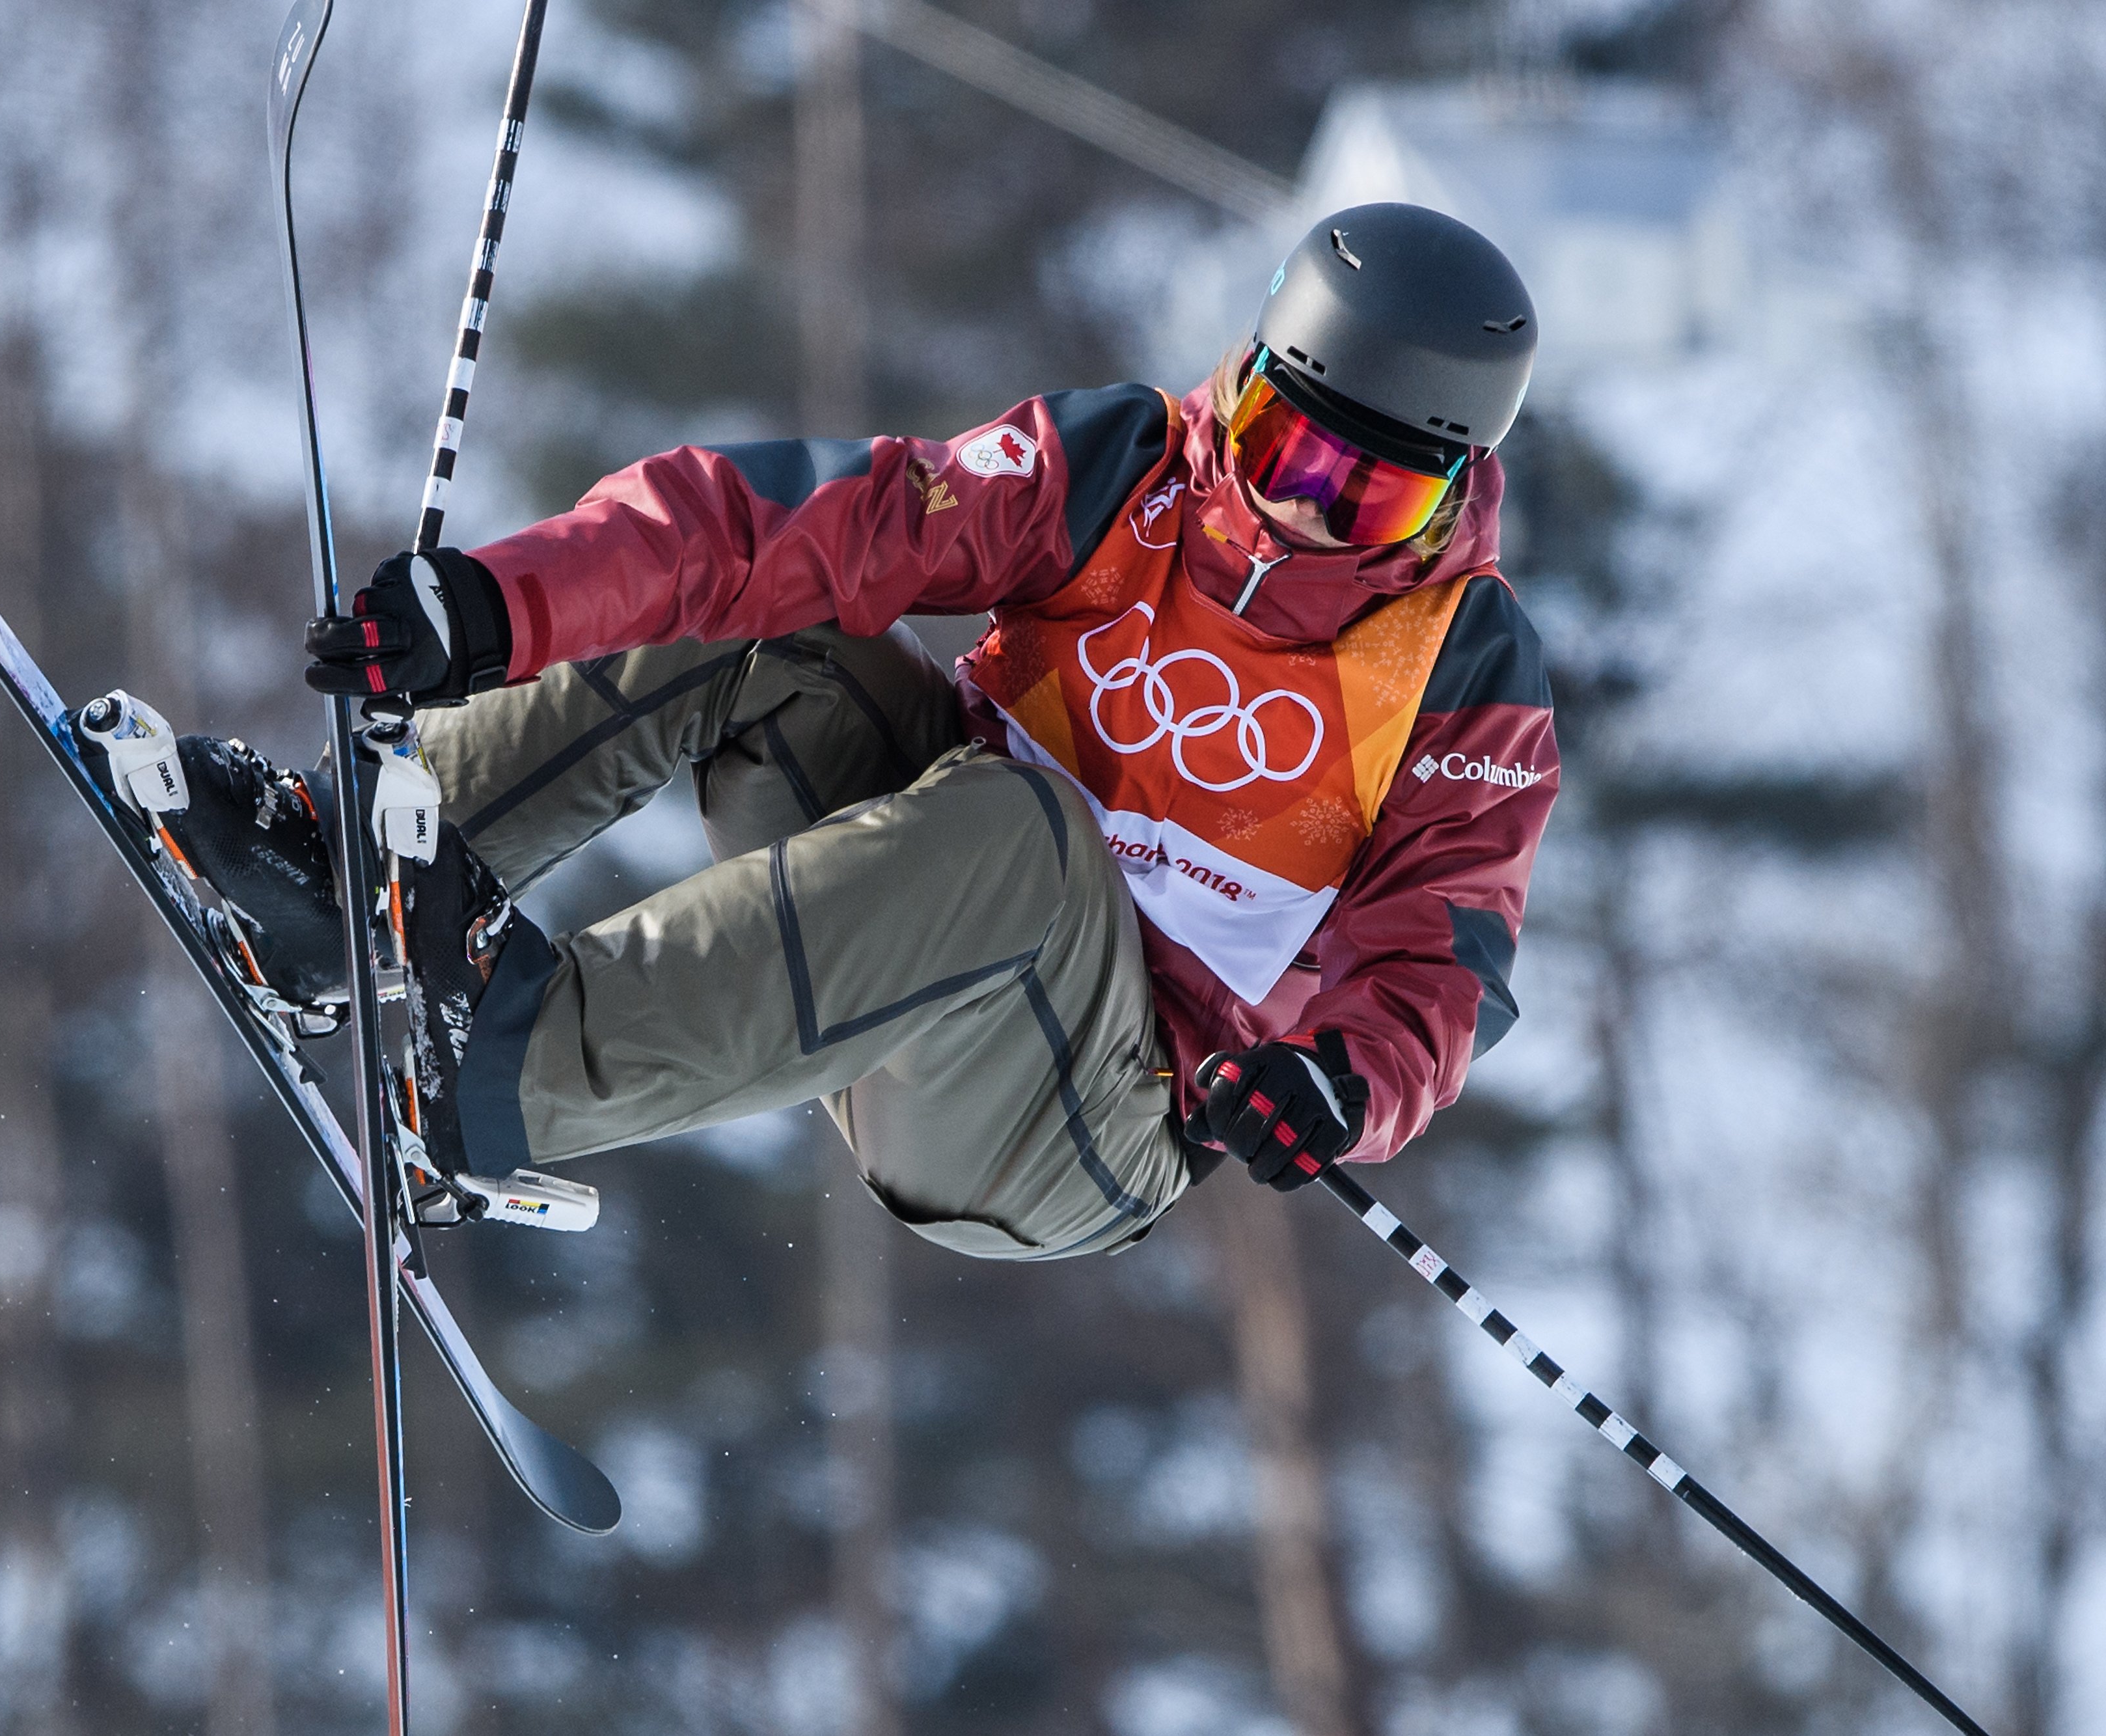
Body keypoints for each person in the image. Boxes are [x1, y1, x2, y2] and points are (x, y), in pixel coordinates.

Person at [143, 202, 1558, 1261]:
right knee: (776, 602)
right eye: (1281, 442)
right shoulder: (1123, 472)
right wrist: (499, 606)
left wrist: (1334, 1081)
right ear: (1241, 380)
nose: (1304, 505)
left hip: (1069, 1124)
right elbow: (813, 521)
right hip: (897, 923)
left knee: (1027, 834)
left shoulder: (1459, 671)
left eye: (1364, 496)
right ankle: (339, 896)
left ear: (1446, 497)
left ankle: (519, 1077)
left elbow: (1441, 962)